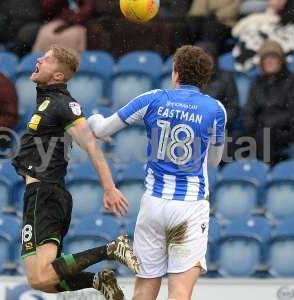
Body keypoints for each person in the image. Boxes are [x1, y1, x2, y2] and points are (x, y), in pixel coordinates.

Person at [88, 45, 226, 299]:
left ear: (175, 73)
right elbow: (214, 161)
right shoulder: (215, 109)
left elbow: (103, 130)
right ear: (205, 78)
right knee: (180, 289)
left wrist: (93, 119)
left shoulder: (153, 99)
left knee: (144, 289)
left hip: (152, 206)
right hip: (188, 208)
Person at [11, 45, 139, 299]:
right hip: (34, 195)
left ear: (58, 76)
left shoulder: (63, 103)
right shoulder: (46, 99)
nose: (38, 60)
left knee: (45, 273)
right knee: (38, 280)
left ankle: (111, 249)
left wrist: (109, 187)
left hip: (46, 193)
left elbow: (90, 144)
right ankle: (97, 279)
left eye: (46, 59)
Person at [242, 40, 294, 164]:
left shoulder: (293, 81)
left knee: (265, 138)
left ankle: (264, 175)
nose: (269, 61)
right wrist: (251, 127)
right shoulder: (257, 83)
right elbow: (249, 110)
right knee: (231, 141)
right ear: (261, 62)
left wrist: (274, 126)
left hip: (284, 131)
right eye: (266, 58)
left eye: (273, 57)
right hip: (259, 130)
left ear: (281, 60)